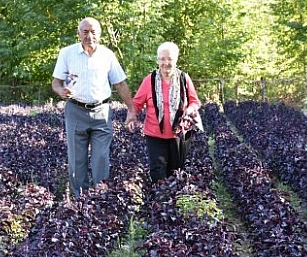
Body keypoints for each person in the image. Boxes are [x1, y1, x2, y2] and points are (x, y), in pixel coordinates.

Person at [52, 17, 137, 198]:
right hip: (75, 110)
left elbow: (120, 84)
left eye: (93, 32)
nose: (89, 36)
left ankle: (100, 198)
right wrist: (60, 91)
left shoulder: (107, 55)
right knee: (77, 161)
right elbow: (56, 82)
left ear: (99, 34)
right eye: (85, 32)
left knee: (100, 159)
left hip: (102, 112)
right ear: (78, 34)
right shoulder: (66, 53)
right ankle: (79, 200)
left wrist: (131, 109)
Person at [130, 41, 202, 184]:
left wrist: (189, 109)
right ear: (158, 60)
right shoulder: (149, 80)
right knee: (158, 171)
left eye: (170, 59)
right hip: (154, 134)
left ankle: (174, 202)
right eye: (162, 59)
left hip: (178, 134)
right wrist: (131, 117)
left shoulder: (184, 79)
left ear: (176, 60)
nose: (166, 63)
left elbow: (195, 101)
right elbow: (137, 103)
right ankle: (160, 199)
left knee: (176, 171)